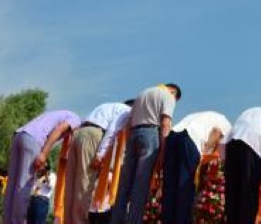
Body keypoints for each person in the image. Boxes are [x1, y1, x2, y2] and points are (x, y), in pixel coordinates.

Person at [111, 83, 182, 224]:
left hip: (133, 134)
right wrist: (163, 151)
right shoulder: (168, 96)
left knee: (124, 185)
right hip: (151, 135)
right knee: (140, 185)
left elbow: (129, 123)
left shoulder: (143, 93)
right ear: (174, 93)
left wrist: (129, 143)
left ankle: (116, 220)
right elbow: (165, 123)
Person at [2, 109, 81, 224]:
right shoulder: (76, 119)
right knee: (23, 185)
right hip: (33, 140)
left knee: (12, 184)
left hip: (19, 135)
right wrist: (44, 153)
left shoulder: (59, 114)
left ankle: (7, 221)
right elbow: (59, 130)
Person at [63, 101, 133, 224]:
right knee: (85, 183)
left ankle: (69, 220)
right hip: (93, 135)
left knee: (71, 184)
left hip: (79, 133)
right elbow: (112, 131)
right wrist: (100, 154)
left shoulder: (110, 106)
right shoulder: (127, 111)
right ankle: (80, 221)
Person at [161, 111, 232, 224]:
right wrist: (207, 150)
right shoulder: (227, 125)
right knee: (184, 188)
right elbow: (216, 132)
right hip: (190, 140)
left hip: (173, 136)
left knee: (170, 187)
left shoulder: (205, 116)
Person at [222, 106, 261, 224]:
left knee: (233, 191)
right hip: (254, 145)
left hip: (232, 142)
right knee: (248, 191)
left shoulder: (251, 111)